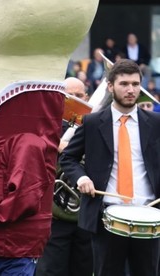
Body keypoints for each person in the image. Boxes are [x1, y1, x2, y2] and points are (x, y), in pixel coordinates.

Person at [60, 59, 160, 276]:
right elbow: (68, 158)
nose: (131, 89)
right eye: (124, 84)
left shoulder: (155, 122)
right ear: (110, 86)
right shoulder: (92, 122)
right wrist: (81, 179)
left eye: (135, 84)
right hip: (106, 217)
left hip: (149, 215)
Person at [36, 77, 93, 276]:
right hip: (54, 215)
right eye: (70, 96)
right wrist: (54, 146)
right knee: (50, 270)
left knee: (83, 270)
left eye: (80, 96)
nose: (76, 101)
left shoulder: (93, 127)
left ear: (87, 98)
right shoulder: (44, 126)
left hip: (85, 215)